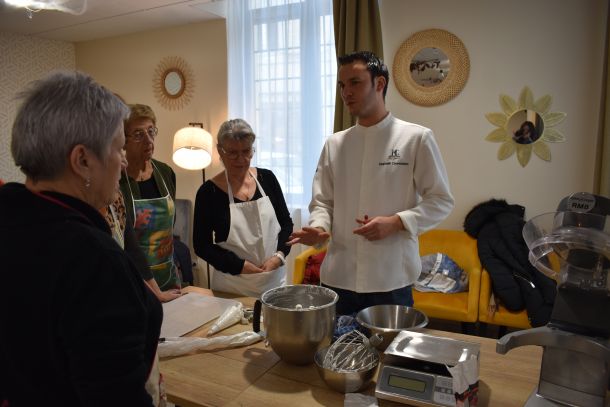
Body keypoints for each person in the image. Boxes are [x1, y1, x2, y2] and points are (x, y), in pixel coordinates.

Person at [0, 71, 161, 405]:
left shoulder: (11, 215)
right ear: (83, 160)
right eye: (119, 148)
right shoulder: (93, 260)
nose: (123, 162)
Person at [288, 51, 454, 315]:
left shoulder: (416, 138)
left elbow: (441, 201)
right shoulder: (335, 144)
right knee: (338, 342)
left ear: (379, 83)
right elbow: (323, 202)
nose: (346, 92)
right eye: (342, 85)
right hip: (339, 277)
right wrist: (319, 227)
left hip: (391, 278)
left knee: (388, 344)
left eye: (355, 82)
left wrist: (397, 222)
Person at [193, 119, 293, 297]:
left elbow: (286, 224)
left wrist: (279, 256)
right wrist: (238, 265)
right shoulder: (208, 193)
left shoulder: (267, 179)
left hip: (273, 281)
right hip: (232, 285)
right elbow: (202, 245)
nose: (241, 159)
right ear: (220, 151)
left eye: (246, 151)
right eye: (232, 153)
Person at [120, 104, 181, 292]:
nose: (148, 140)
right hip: (135, 282)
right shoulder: (117, 181)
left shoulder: (165, 172)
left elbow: (170, 228)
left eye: (151, 131)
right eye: (138, 134)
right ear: (123, 141)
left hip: (169, 277)